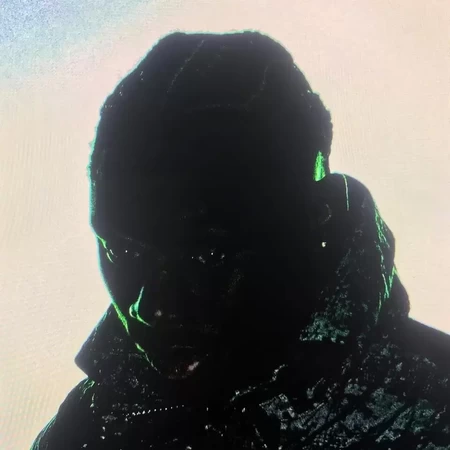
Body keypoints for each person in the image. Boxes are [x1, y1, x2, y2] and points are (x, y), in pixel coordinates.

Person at [31, 31, 450, 450]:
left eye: (209, 254)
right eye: (122, 249)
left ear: (315, 219)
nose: (152, 306)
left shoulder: (436, 410)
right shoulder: (82, 431)